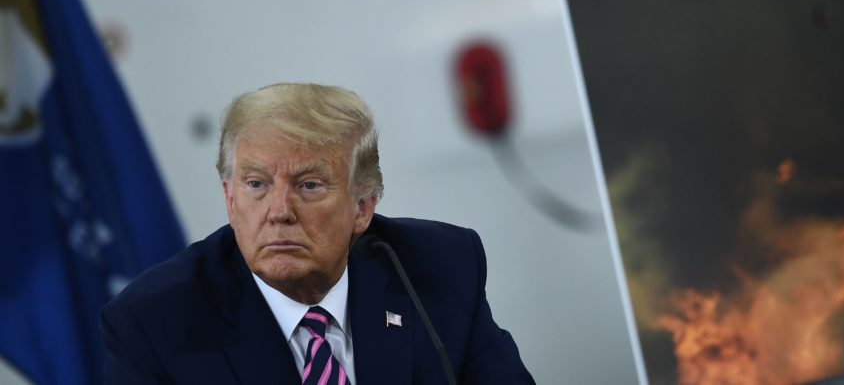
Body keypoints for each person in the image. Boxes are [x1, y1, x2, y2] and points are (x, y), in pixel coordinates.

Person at [101, 83, 534, 384]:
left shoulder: (438, 266)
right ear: (230, 200)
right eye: (256, 185)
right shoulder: (155, 321)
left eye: (308, 185)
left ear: (363, 207)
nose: (279, 212)